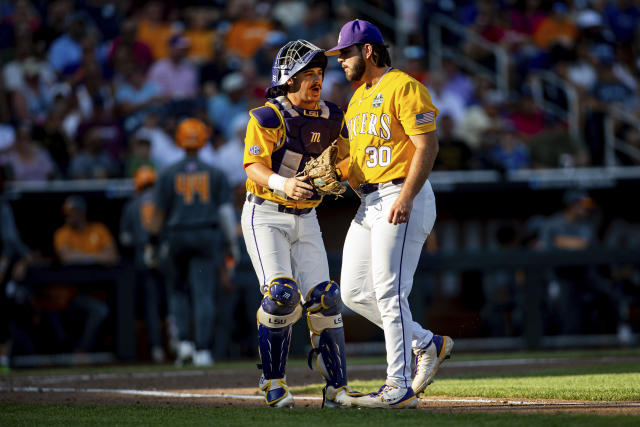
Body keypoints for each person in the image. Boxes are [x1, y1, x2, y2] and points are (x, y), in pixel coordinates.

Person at [326, 19, 454, 408]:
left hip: (402, 192)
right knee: (353, 291)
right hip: (369, 200)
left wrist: (406, 196)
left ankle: (398, 385)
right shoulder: (358, 97)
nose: (341, 62)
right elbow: (350, 160)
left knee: (389, 290)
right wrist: (335, 173)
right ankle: (425, 342)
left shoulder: (404, 86)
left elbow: (427, 146)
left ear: (367, 50)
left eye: (345, 53)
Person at [240, 39, 362, 408]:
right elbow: (253, 166)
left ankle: (336, 388)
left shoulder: (333, 116)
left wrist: (341, 175)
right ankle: (273, 380)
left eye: (320, 74)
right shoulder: (268, 116)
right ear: (288, 80)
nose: (317, 80)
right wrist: (284, 182)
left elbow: (347, 160)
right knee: (280, 295)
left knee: (326, 297)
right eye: (308, 74)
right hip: (266, 214)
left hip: (307, 216)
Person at [147, 118, 239, 367]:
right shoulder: (216, 173)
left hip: (176, 236)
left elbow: (157, 215)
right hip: (206, 235)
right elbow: (225, 213)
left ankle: (185, 344)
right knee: (204, 293)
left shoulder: (167, 173)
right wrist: (232, 243)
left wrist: (151, 244)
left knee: (177, 292)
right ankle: (202, 350)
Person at [53, 195, 117, 352]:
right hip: (70, 296)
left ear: (81, 213)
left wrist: (81, 256)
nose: (68, 216)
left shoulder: (98, 230)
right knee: (98, 310)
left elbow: (113, 257)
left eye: (72, 212)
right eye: (66, 213)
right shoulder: (62, 233)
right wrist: (96, 257)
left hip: (100, 292)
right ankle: (80, 352)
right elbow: (66, 257)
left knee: (109, 308)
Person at [119, 166, 165, 363]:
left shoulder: (131, 205)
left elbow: (125, 238)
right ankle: (181, 342)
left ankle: (156, 347)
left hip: (142, 256)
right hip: (165, 254)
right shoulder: (162, 201)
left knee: (151, 305)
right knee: (173, 299)